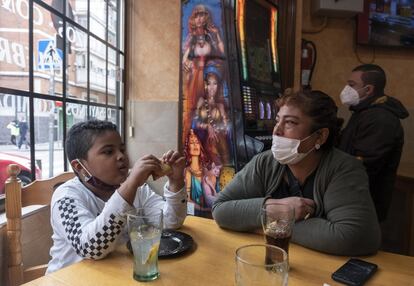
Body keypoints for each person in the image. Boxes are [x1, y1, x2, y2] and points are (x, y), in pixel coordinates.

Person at [212, 90, 381, 256]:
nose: (276, 131)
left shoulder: (344, 168)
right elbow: (220, 210)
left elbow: (355, 237)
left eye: (290, 123)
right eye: (277, 120)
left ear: (320, 136)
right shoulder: (265, 162)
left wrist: (266, 225)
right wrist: (274, 209)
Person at [47, 120, 187, 273]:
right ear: (80, 167)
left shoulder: (137, 189)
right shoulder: (65, 197)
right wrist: (130, 184)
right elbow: (91, 249)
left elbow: (170, 222)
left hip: (117, 275)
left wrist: (176, 181)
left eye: (122, 149)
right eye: (108, 152)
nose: (121, 156)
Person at [338, 64, 409, 222]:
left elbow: (364, 166)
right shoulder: (364, 111)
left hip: (364, 204)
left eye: (351, 85)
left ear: (368, 90)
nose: (346, 89)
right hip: (351, 200)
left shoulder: (380, 119)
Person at [192, 63, 232, 165]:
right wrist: (207, 126)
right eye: (209, 83)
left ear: (218, 85)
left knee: (221, 145)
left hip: (219, 142)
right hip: (200, 140)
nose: (212, 87)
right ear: (205, 85)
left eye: (215, 83)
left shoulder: (220, 106)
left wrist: (219, 128)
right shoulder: (201, 101)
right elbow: (194, 122)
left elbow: (226, 125)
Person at [184, 129, 211, 217]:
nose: (195, 145)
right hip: (194, 214)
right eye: (192, 142)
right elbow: (187, 200)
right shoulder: (188, 172)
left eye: (197, 142)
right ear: (188, 147)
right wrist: (203, 210)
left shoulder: (205, 170)